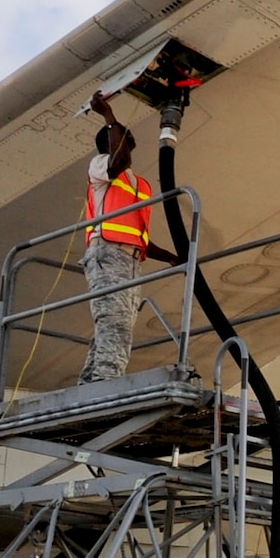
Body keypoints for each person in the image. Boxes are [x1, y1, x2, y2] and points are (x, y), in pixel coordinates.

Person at [79, 91, 178, 383]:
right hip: (107, 255)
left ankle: (91, 380)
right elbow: (117, 160)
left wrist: (171, 257)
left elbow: (138, 236)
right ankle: (105, 383)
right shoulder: (102, 165)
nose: (128, 136)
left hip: (130, 259)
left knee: (115, 322)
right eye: (121, 134)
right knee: (115, 323)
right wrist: (108, 115)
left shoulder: (137, 184)